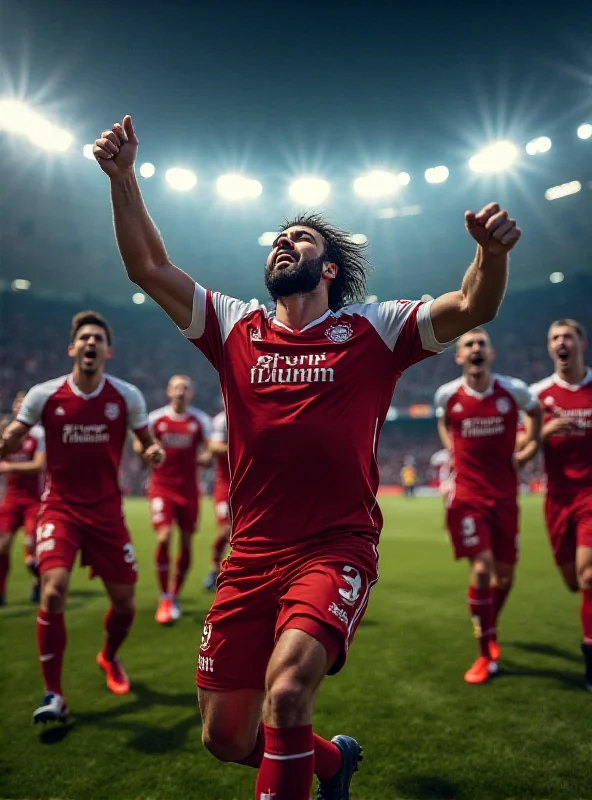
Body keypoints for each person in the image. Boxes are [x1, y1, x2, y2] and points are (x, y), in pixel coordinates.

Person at [94, 114, 521, 800]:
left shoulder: (374, 328)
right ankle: (331, 763)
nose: (284, 241)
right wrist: (123, 179)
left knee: (288, 692)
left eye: (301, 237)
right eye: (279, 237)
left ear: (326, 267)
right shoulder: (234, 325)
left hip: (334, 546)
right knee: (225, 738)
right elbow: (147, 266)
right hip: (249, 554)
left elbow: (474, 305)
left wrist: (490, 255)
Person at [0, 310, 164, 724]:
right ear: (72, 348)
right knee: (53, 591)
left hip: (108, 513)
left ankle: (108, 657)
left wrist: (152, 453)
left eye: (98, 339)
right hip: (61, 509)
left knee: (125, 605)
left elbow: (146, 443)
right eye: (84, 338)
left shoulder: (126, 396)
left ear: (108, 351)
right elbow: (13, 438)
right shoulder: (44, 395)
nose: (91, 344)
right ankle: (53, 692)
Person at [435, 328, 542, 684]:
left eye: (482, 343)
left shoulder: (513, 391)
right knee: (482, 570)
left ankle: (488, 623)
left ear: (490, 354)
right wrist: (453, 451)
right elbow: (444, 422)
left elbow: (537, 414)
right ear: (459, 357)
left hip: (506, 496)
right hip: (467, 497)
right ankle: (485, 652)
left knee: (505, 577)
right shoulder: (448, 395)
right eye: (469, 345)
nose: (476, 348)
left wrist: (526, 452)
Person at [530, 319, 592, 690]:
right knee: (573, 580)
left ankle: (590, 661)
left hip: (590, 495)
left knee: (588, 575)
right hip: (556, 499)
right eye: (555, 337)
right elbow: (519, 454)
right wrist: (544, 432)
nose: (561, 342)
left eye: (568, 336)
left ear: (581, 343)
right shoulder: (537, 395)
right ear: (550, 348)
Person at [136, 374, 211, 624]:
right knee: (165, 536)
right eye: (176, 387)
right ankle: (165, 596)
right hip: (162, 487)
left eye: (185, 388)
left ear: (191, 393)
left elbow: (210, 448)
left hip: (189, 490)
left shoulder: (200, 420)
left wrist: (206, 456)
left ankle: (175, 593)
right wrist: (147, 451)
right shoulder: (156, 419)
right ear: (168, 392)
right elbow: (139, 444)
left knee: (187, 543)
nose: (180, 391)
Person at [0, 391, 46, 605]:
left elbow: (38, 465)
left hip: (32, 500)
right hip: (10, 499)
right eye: (18, 402)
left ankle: (40, 582)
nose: (20, 406)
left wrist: (9, 466)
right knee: (3, 545)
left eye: (24, 403)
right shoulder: (6, 433)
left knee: (31, 547)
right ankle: (0, 592)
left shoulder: (38, 435)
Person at [204, 408, 231, 591]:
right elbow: (214, 446)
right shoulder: (222, 419)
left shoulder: (255, 414)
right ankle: (214, 570)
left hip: (249, 485)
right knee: (225, 529)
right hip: (225, 484)